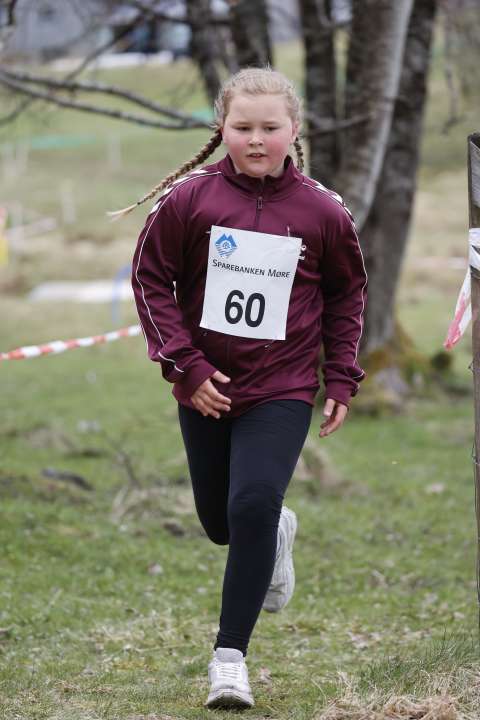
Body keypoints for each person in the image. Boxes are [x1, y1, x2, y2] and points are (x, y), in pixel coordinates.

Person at [119, 67, 367, 709]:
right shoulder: (188, 201)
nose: (257, 140)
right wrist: (187, 367)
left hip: (283, 386)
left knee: (251, 503)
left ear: (294, 129)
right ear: (222, 128)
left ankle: (229, 659)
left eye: (270, 128)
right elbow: (150, 280)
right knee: (221, 522)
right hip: (205, 384)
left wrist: (340, 374)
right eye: (243, 127)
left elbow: (347, 295)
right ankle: (274, 530)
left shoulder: (322, 211)